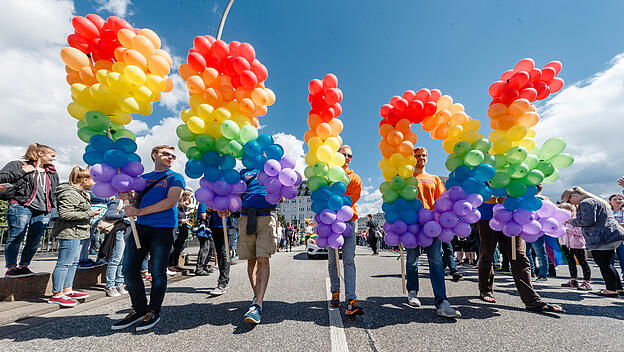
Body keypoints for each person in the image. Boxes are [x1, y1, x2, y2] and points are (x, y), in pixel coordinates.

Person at [112, 145, 185, 332]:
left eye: (172, 155)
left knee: (158, 272)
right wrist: (126, 196)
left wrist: (139, 211)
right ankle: (138, 309)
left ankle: (153, 310)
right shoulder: (142, 179)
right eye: (165, 154)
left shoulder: (175, 177)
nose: (170, 157)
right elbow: (135, 201)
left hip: (163, 228)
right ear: (154, 156)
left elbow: (170, 202)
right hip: (141, 227)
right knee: (129, 270)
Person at [477, 196, 564, 313]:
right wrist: (499, 199)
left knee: (519, 257)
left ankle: (532, 301)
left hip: (515, 218)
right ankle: (485, 289)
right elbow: (481, 196)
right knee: (487, 255)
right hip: (488, 218)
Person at [404, 147, 461, 318]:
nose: (420, 158)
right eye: (417, 155)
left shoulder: (435, 179)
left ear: (427, 158)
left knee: (436, 262)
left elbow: (441, 202)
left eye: (423, 155)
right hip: (412, 226)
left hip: (432, 226)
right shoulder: (406, 178)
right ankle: (412, 291)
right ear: (411, 158)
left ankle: (442, 301)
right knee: (412, 261)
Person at [1, 143, 59, 278]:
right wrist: (23, 171)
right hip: (21, 206)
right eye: (52, 156)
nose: (53, 159)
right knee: (16, 236)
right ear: (40, 154)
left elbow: (55, 190)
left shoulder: (51, 171)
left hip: (44, 209)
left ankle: (24, 266)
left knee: (35, 239)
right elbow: (2, 178)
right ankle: (11, 268)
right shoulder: (18, 164)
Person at [48, 166, 98, 306]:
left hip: (78, 231)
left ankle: (67, 289)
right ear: (84, 180)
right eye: (93, 180)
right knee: (64, 263)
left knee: (73, 262)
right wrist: (90, 214)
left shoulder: (80, 193)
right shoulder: (70, 193)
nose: (95, 183)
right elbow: (65, 214)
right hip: (70, 232)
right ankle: (57, 294)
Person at [236, 164, 279, 324]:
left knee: (263, 259)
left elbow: (281, 194)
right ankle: (257, 297)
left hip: (266, 217)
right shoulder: (243, 172)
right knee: (251, 260)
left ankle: (258, 304)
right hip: (246, 216)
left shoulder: (273, 169)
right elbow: (235, 194)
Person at [566, 187, 624, 297]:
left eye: (569, 200)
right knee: (607, 264)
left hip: (602, 237)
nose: (570, 203)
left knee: (604, 264)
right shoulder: (595, 200)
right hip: (611, 235)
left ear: (574, 196)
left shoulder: (586, 203)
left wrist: (571, 221)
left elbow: (588, 220)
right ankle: (618, 288)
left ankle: (611, 290)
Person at [328, 145, 364, 317]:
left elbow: (352, 199)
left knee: (349, 259)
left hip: (349, 219)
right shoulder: (328, 174)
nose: (347, 157)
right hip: (330, 221)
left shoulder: (355, 178)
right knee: (333, 260)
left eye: (350, 155)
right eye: (344, 154)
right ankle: (335, 293)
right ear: (337, 156)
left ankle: (351, 299)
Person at [99, 196, 130, 297]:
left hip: (128, 232)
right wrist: (124, 215)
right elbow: (109, 215)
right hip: (119, 231)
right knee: (116, 259)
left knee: (123, 260)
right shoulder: (117, 202)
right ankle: (110, 285)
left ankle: (119, 283)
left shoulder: (133, 203)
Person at [556, 202, 591, 291]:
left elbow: (580, 232)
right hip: (565, 244)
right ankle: (573, 280)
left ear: (572, 211)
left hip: (577, 245)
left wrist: (567, 230)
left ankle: (586, 282)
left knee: (583, 262)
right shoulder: (561, 220)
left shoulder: (577, 219)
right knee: (571, 262)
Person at [206, 208, 232, 296]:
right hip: (215, 225)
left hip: (229, 226)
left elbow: (239, 205)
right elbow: (208, 207)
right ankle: (225, 280)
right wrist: (213, 208)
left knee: (225, 253)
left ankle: (222, 283)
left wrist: (230, 210)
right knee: (220, 254)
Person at [168, 191, 192, 273]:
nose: (186, 205)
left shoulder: (182, 208)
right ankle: (170, 265)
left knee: (179, 247)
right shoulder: (175, 207)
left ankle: (175, 263)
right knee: (173, 248)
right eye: (186, 203)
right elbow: (173, 218)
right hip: (176, 229)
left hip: (182, 229)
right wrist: (180, 220)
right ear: (181, 200)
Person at [194, 202, 215, 276]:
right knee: (205, 248)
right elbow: (203, 216)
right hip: (203, 229)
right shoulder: (203, 202)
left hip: (209, 228)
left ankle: (204, 265)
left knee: (211, 248)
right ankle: (199, 268)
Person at [608, 194, 624, 279]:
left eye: (620, 199)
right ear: (610, 202)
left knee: (623, 257)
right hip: (609, 239)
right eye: (615, 199)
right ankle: (611, 276)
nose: (618, 201)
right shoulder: (607, 212)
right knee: (609, 259)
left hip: (622, 238)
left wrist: (615, 224)